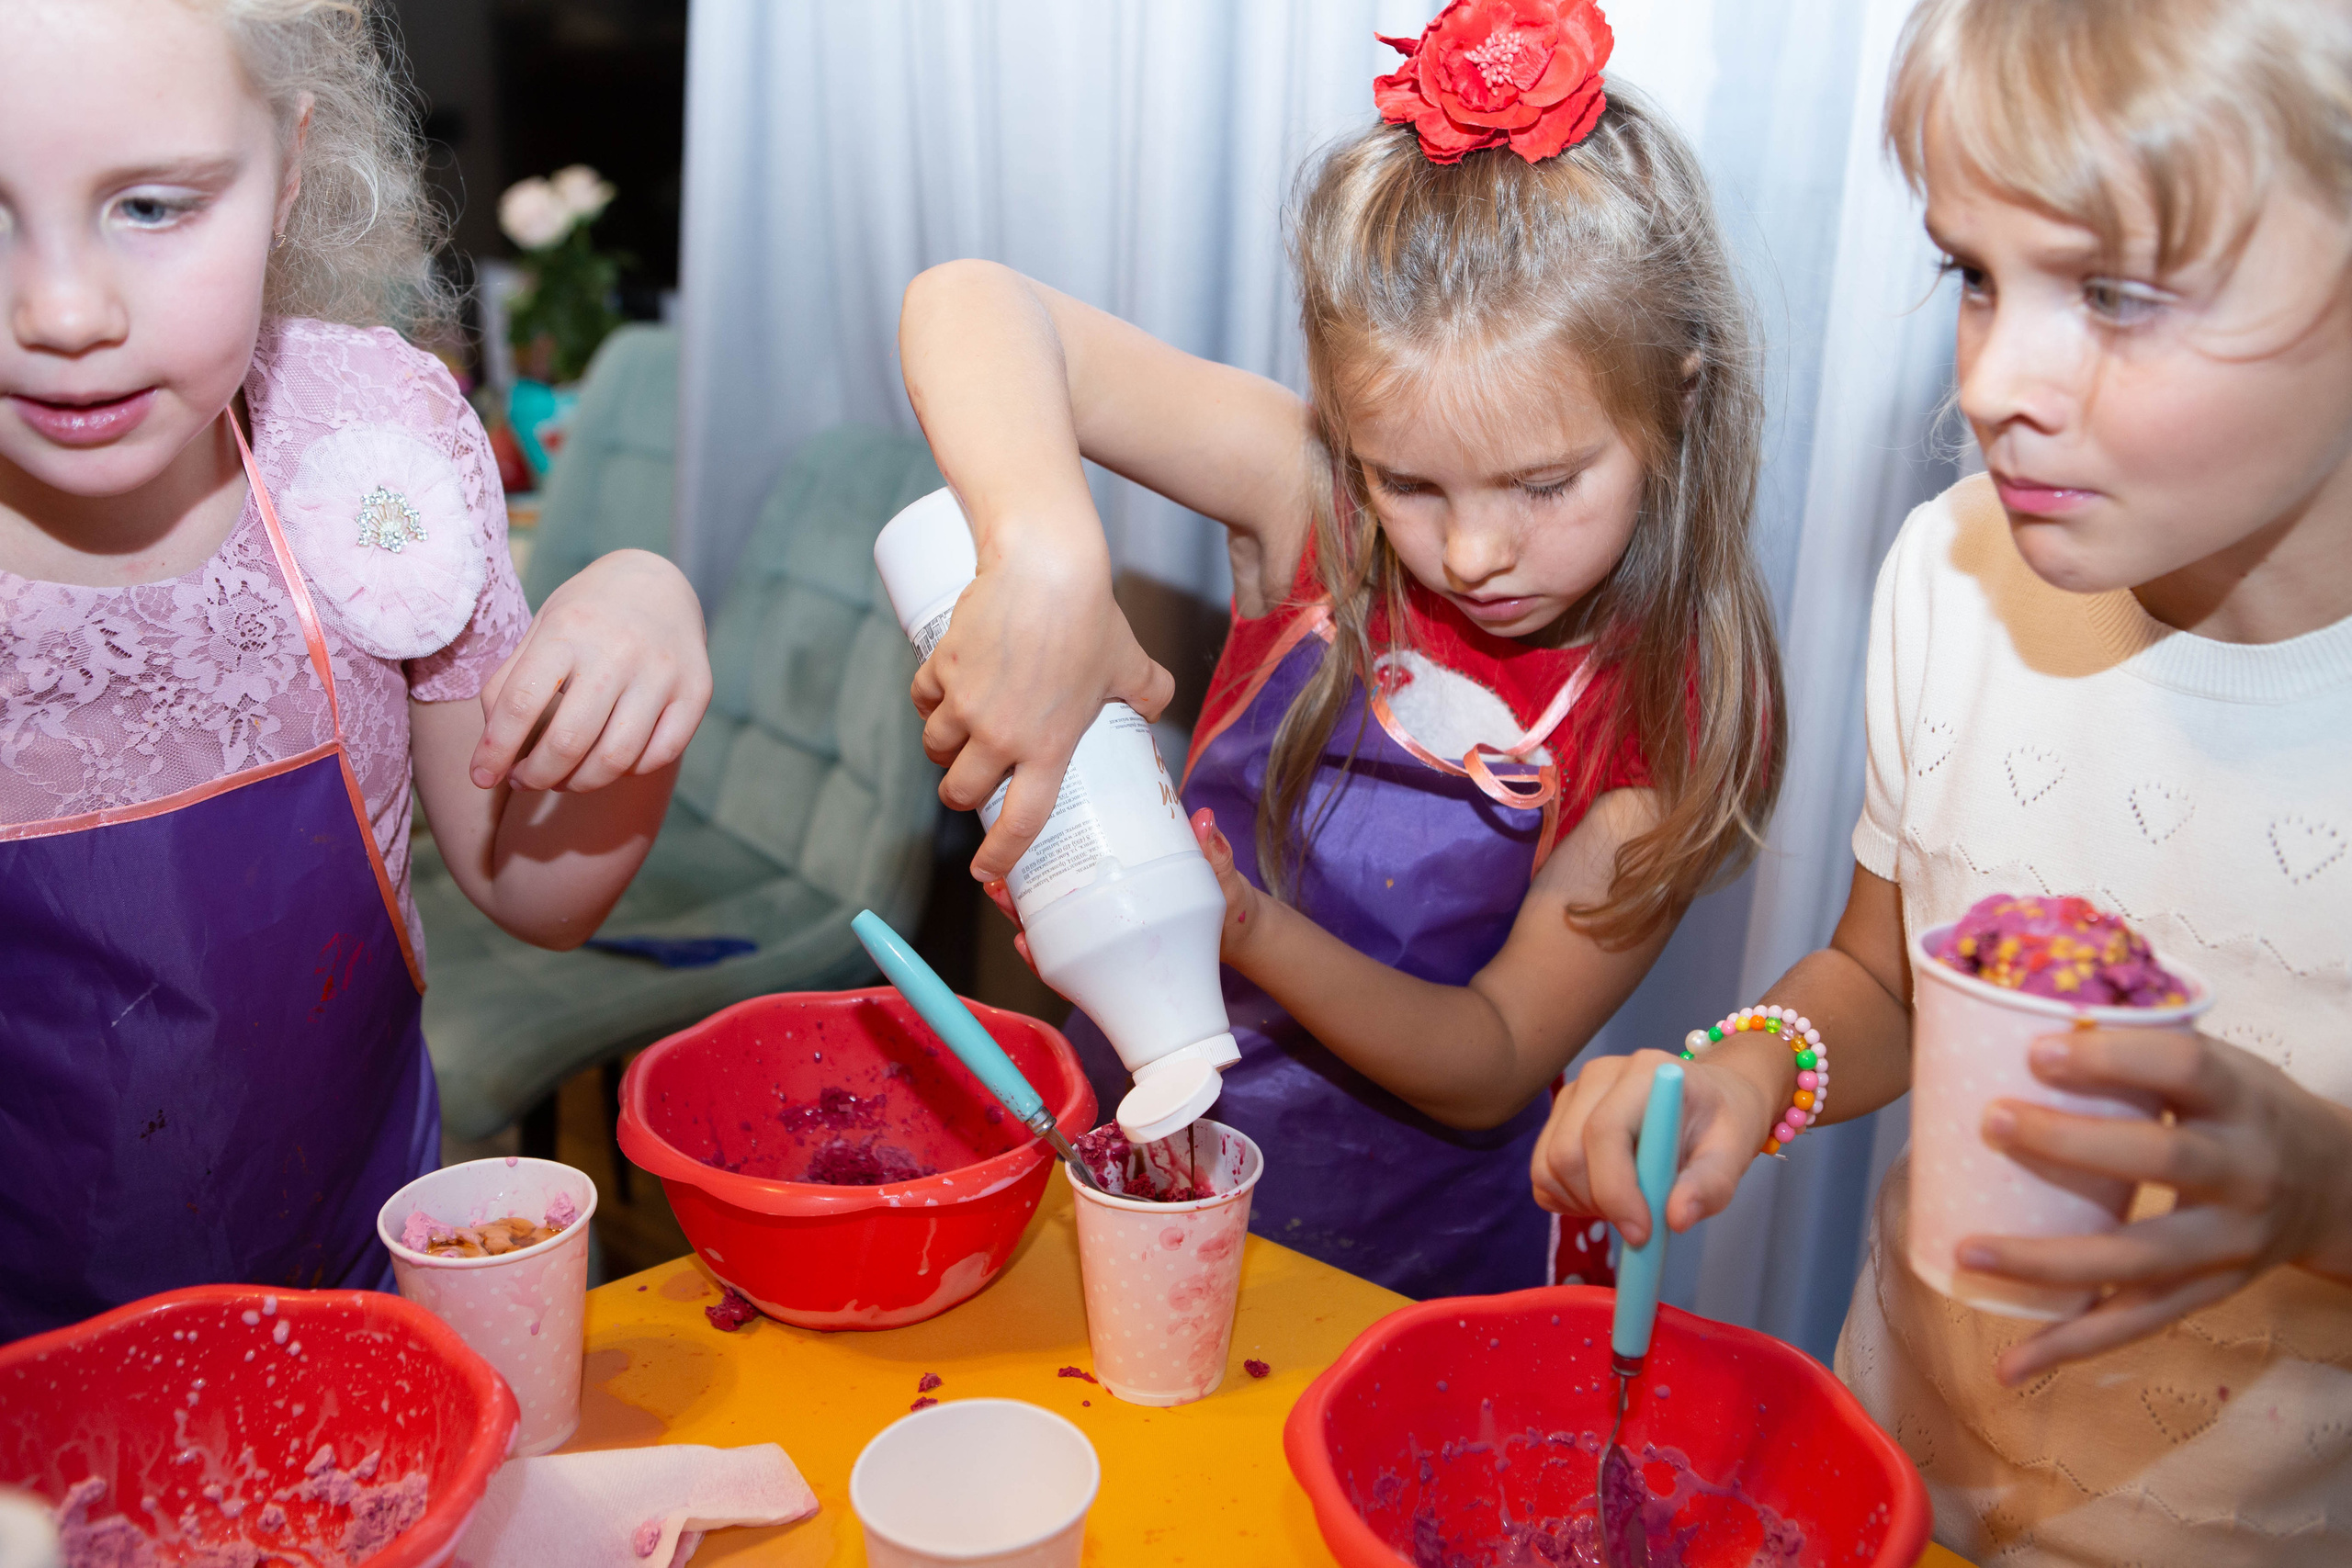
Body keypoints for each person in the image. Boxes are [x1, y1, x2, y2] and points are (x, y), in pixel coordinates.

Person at [1534, 0, 2352, 1559]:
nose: (1994, 383)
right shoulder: (1960, 572)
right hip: (1905, 1483)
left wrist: (2318, 1195)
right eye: (1976, 276)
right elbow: (1895, 980)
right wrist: (1752, 1067)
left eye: (2115, 292)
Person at [897, 0, 1783, 1301]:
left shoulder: (1673, 712)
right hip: (1133, 1176)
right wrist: (1047, 561)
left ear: (1679, 399)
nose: (1472, 550)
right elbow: (969, 305)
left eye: (1543, 486)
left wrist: (1242, 926)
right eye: (1410, 482)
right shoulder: (1318, 509)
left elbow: (1490, 1052)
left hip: (1415, 1260)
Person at [0, 0, 710, 1340]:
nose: (64, 311)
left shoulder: (366, 445)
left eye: (152, 206)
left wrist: (642, 620)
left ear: (286, 169)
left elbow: (532, 884)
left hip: (361, 1309)